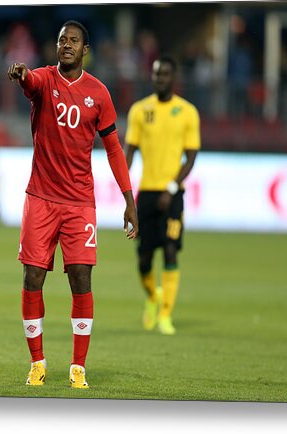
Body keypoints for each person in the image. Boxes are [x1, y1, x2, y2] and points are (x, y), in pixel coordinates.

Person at [7, 20, 138, 389]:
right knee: (32, 277)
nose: (66, 44)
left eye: (74, 40)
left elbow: (113, 148)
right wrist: (21, 75)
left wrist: (130, 200)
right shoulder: (44, 81)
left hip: (80, 202)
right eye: (62, 39)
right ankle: (37, 363)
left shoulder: (99, 93)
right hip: (41, 198)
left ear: (85, 50)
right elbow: (29, 81)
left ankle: (78, 367)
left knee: (81, 279)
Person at [125, 54, 200, 335]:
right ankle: (153, 299)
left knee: (170, 250)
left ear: (174, 77)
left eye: (165, 74)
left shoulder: (188, 112)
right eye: (156, 74)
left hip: (173, 194)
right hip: (146, 193)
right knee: (144, 257)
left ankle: (166, 316)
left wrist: (172, 187)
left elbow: (190, 158)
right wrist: (125, 186)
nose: (160, 79)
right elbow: (129, 152)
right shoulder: (139, 110)